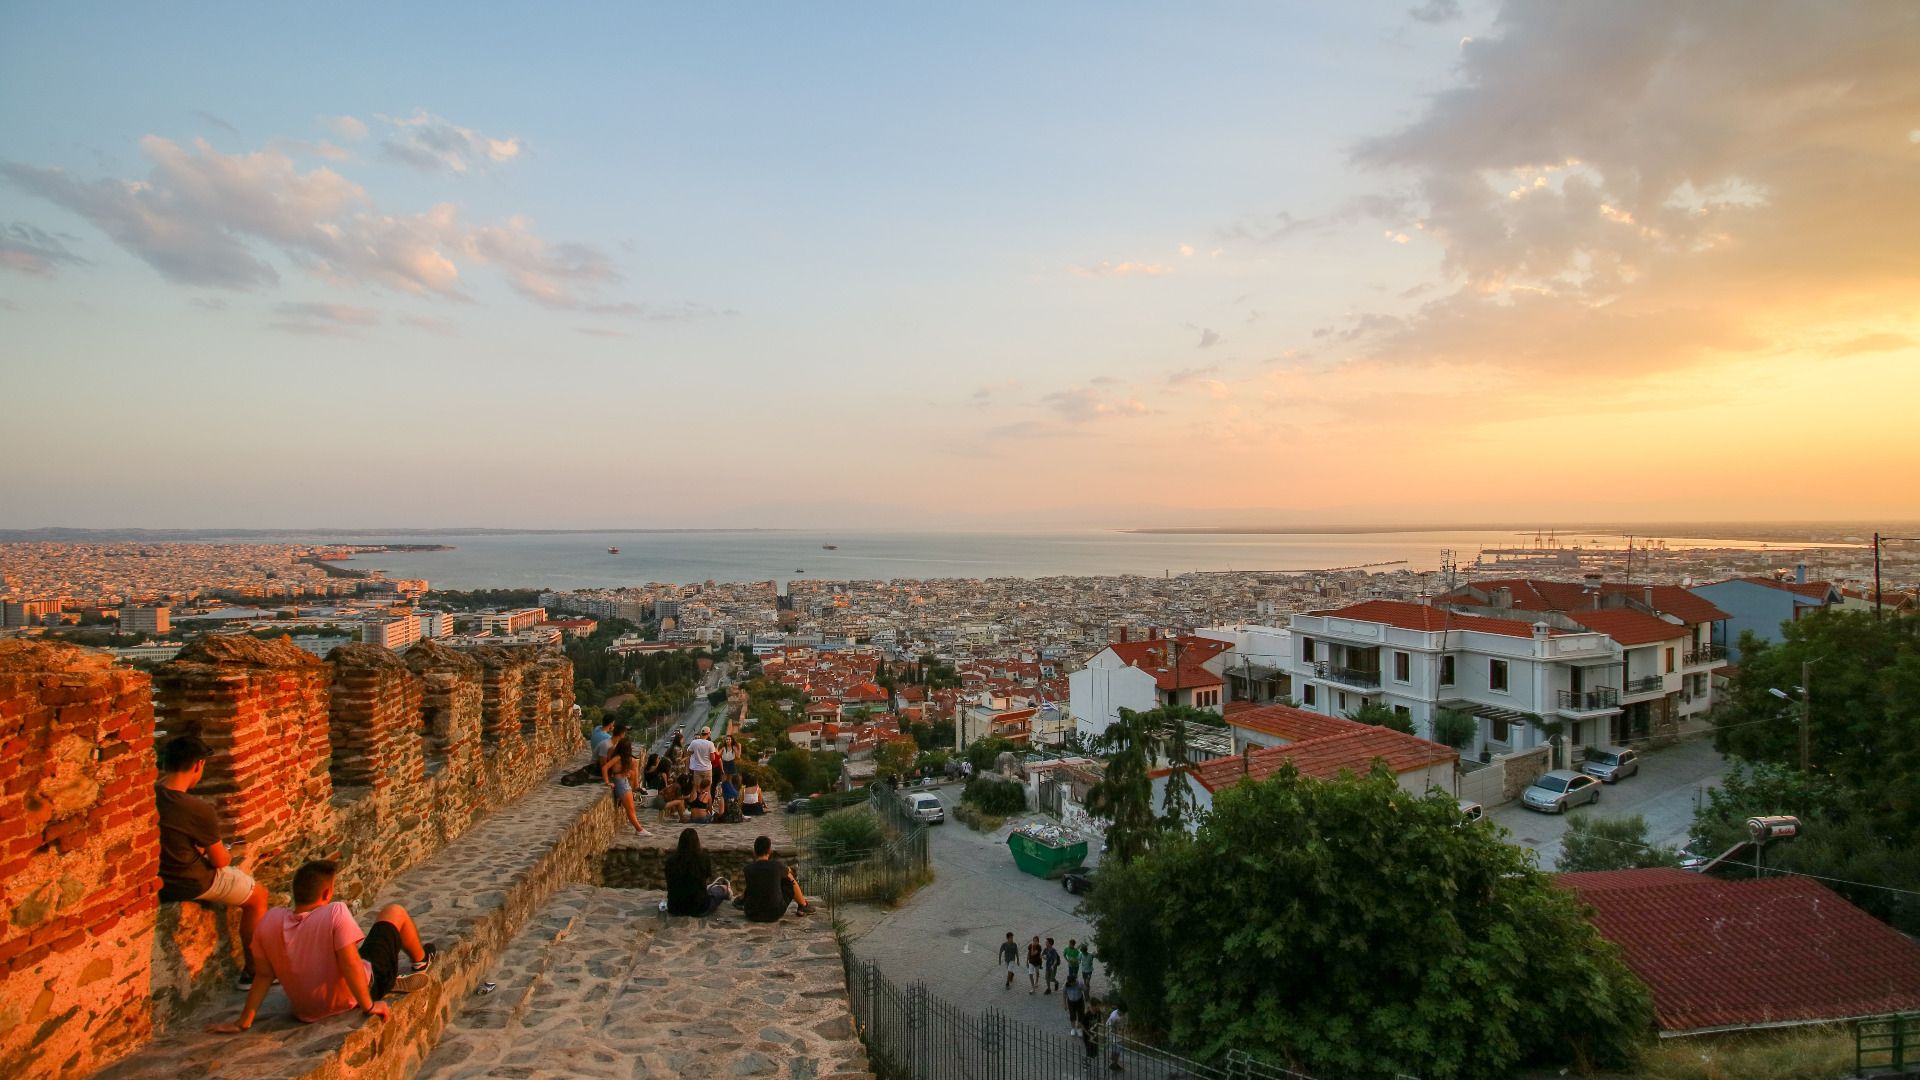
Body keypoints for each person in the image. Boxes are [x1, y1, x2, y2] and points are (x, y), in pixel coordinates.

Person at [207, 860, 433, 1033]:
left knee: (355, 952)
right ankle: (421, 962)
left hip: (305, 1011)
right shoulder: (335, 912)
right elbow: (350, 963)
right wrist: (369, 1005)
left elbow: (264, 975)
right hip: (356, 994)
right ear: (327, 892)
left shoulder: (269, 921)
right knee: (394, 912)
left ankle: (391, 979)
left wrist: (243, 1021)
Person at [156, 735, 269, 988]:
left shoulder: (150, 797)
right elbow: (219, 860)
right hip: (191, 880)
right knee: (258, 897)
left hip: (158, 878)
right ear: (198, 765)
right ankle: (254, 971)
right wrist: (224, 852)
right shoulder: (197, 807)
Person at [736, 834, 813, 921]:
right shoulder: (777, 866)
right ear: (770, 851)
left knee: (755, 881)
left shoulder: (748, 869)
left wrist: (740, 899)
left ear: (754, 851)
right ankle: (803, 905)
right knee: (788, 878)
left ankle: (741, 900)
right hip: (774, 913)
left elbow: (750, 887)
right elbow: (789, 871)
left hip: (751, 913)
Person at [663, 829, 730, 915]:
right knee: (720, 890)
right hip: (699, 907)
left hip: (675, 907)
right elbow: (706, 877)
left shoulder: (671, 861)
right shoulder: (703, 858)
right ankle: (726, 889)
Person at [600, 733, 650, 837]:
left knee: (631, 808)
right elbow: (605, 768)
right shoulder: (618, 757)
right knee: (630, 809)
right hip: (621, 783)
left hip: (624, 782)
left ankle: (639, 829)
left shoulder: (622, 758)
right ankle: (639, 829)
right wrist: (607, 782)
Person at [1063, 972, 1088, 1036]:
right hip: (1071, 1002)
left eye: (1072, 983)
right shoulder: (1066, 985)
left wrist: (1084, 986)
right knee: (1072, 1015)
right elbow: (1064, 994)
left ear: (1074, 981)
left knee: (1080, 1015)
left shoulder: (1079, 983)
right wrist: (1065, 1004)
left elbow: (1085, 990)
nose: (1071, 984)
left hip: (1079, 1001)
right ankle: (1073, 1029)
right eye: (1070, 983)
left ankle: (1079, 1028)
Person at [1106, 1004, 1126, 1071]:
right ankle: (1113, 1064)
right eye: (1123, 1012)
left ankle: (1114, 1064)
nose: (1124, 1013)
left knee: (1118, 1049)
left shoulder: (1122, 1013)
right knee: (1116, 1048)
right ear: (1119, 1010)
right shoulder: (1113, 1017)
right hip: (1112, 1032)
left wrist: (1122, 1031)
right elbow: (1110, 1027)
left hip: (1118, 1031)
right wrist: (1118, 1033)